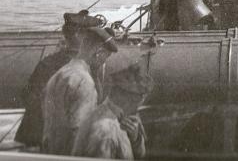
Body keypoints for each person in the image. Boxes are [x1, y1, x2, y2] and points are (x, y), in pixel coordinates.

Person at [16, 11, 104, 147]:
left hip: (34, 135)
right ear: (82, 37)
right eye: (93, 40)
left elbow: (27, 97)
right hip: (55, 141)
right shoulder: (84, 68)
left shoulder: (47, 62)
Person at [42, 26, 118, 155]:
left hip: (51, 152)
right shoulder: (85, 82)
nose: (104, 62)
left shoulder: (60, 74)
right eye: (106, 56)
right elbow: (80, 132)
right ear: (99, 52)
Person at [72, 62, 153, 159]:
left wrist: (135, 140)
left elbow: (139, 155)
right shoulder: (105, 131)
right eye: (140, 98)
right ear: (133, 98)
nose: (139, 105)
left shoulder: (114, 115)